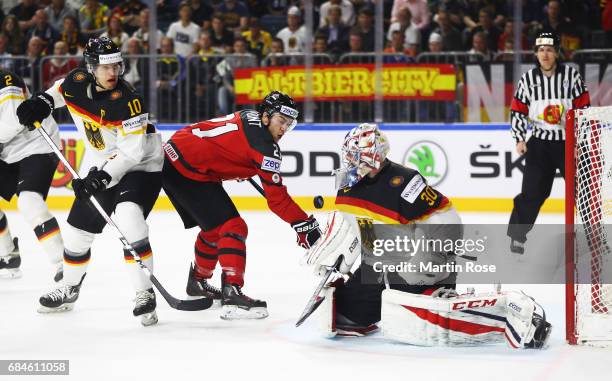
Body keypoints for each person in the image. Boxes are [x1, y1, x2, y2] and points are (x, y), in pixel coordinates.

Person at [303, 123, 551, 349]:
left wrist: (427, 263)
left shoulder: (405, 182)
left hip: (425, 260)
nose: (348, 161)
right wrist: (341, 261)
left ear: (373, 156)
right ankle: (422, 298)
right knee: (347, 313)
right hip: (391, 261)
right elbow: (366, 235)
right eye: (348, 155)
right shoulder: (347, 190)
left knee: (405, 298)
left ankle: (455, 302)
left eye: (354, 156)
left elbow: (447, 220)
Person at [16, 37, 164, 326]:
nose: (113, 73)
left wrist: (101, 177)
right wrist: (43, 101)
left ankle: (144, 293)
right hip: (102, 165)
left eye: (117, 67)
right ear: (91, 67)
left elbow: (131, 152)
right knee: (77, 232)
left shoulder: (129, 100)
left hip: (142, 166)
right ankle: (69, 287)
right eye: (106, 67)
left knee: (129, 217)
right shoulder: (76, 79)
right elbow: (59, 90)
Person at [161, 91, 322, 320]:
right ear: (266, 117)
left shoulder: (250, 116)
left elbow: (228, 145)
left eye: (289, 124)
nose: (284, 129)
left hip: (175, 157)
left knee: (215, 229)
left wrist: (241, 164)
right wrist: (303, 224)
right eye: (281, 121)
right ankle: (232, 291)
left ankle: (197, 282)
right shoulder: (265, 147)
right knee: (233, 227)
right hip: (188, 170)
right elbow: (277, 200)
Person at [507, 31, 590, 254]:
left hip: (568, 143)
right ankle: (517, 238)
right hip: (540, 144)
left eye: (550, 50)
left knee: (583, 192)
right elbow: (517, 110)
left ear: (557, 53)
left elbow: (584, 110)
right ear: (536, 53)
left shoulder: (572, 77)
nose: (545, 54)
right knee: (532, 193)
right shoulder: (528, 79)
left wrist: (580, 142)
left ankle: (594, 236)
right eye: (541, 50)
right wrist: (519, 138)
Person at [0, 69, 64, 281]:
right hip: (6, 152)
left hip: (37, 145)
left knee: (29, 202)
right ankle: (8, 254)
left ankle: (63, 264)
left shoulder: (5, 79)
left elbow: (13, 121)